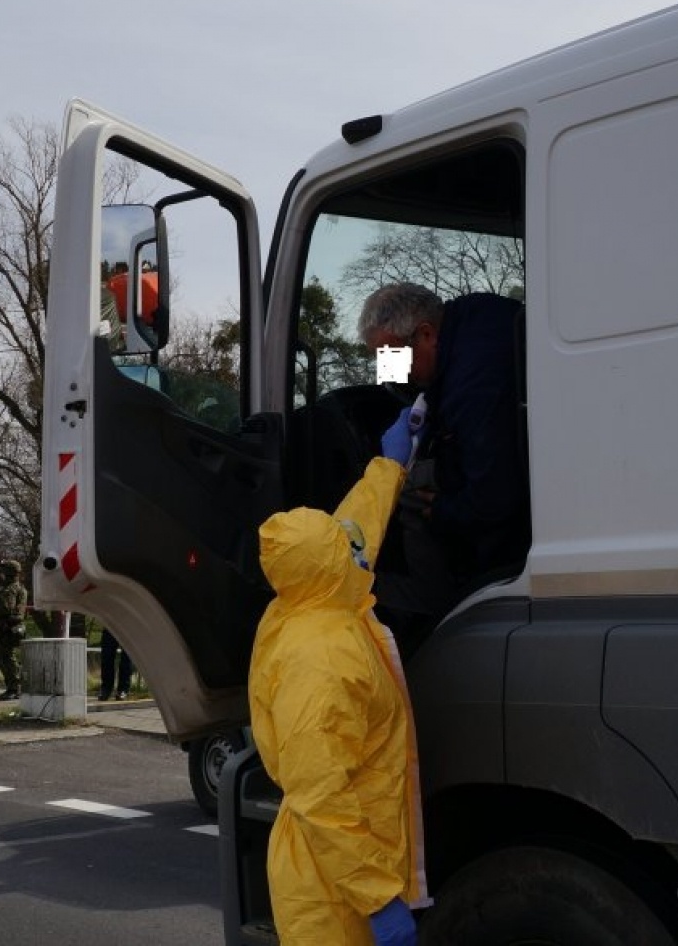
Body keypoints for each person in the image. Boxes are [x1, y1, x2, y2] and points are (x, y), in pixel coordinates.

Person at [248, 420, 429, 945]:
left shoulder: (311, 597)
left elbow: (357, 524)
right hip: (332, 898)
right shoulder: (318, 660)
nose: (355, 546)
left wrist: (389, 464)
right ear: (328, 563)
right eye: (340, 545)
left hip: (338, 875)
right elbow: (321, 797)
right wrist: (377, 898)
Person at [358, 282, 530, 653]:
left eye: (394, 358)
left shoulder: (475, 386)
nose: (392, 374)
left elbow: (495, 498)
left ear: (425, 334)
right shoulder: (473, 316)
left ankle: (433, 616)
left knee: (410, 500)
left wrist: (441, 511)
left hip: (512, 527)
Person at [0, 560, 28, 701]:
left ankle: (14, 688)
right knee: (8, 657)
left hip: (9, 627)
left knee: (6, 658)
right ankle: (15, 687)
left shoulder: (10, 590)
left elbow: (7, 608)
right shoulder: (19, 588)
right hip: (14, 627)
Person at [98, 627, 134, 700]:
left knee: (126, 660)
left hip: (129, 625)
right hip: (110, 624)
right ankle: (106, 689)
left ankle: (123, 689)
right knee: (106, 657)